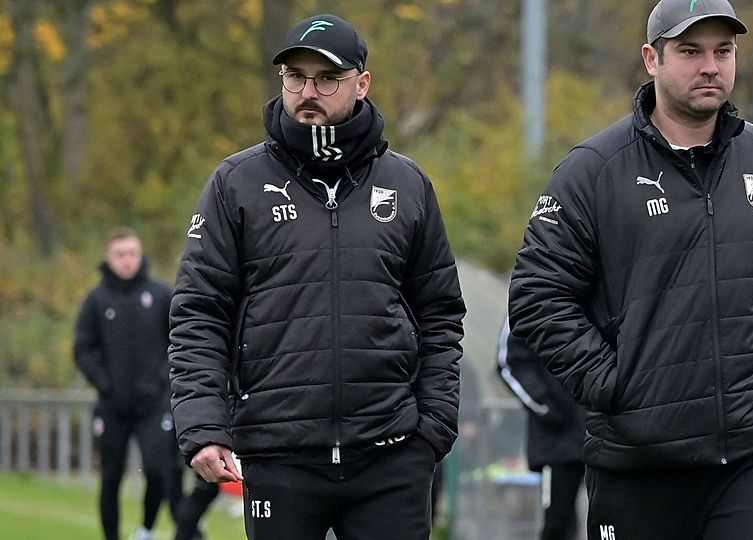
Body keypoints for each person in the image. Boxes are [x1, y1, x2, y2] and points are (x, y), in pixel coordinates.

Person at [508, 1, 753, 538]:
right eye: (690, 51)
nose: (711, 66)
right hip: (639, 466)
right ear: (651, 59)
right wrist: (614, 385)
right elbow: (537, 298)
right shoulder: (593, 171)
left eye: (723, 51)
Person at [168, 13, 466, 540]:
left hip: (391, 455)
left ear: (361, 83)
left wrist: (432, 427)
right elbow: (198, 314)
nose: (309, 91)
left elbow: (440, 312)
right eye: (295, 78)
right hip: (276, 454)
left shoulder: (407, 183)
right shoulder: (235, 184)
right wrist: (204, 428)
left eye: (327, 78)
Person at [74, 228, 181, 540]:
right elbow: (83, 347)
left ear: (140, 254)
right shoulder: (96, 300)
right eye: (120, 254)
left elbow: (179, 340)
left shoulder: (161, 295)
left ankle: (146, 530)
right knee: (110, 478)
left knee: (158, 471)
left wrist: (163, 379)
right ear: (109, 257)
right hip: (112, 407)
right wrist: (104, 383)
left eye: (132, 253)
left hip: (153, 405)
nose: (127, 260)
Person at [497, 318, 586, 540]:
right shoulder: (529, 292)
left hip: (607, 431)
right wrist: (545, 406)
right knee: (558, 524)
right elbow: (509, 362)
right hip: (559, 437)